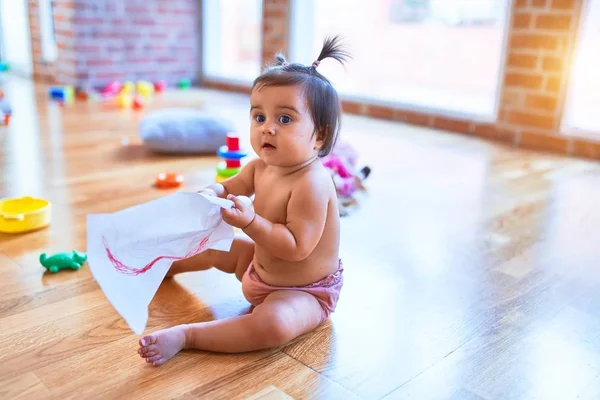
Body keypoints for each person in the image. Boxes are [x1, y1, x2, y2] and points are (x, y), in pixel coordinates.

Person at [138, 36, 351, 366]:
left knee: (273, 326)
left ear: (319, 136)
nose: (267, 129)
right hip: (257, 267)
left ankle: (188, 335)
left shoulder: (313, 184)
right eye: (259, 117)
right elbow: (230, 186)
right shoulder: (260, 167)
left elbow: (295, 247)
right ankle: (156, 266)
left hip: (303, 292)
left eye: (284, 119)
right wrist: (212, 194)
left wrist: (250, 221)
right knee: (214, 246)